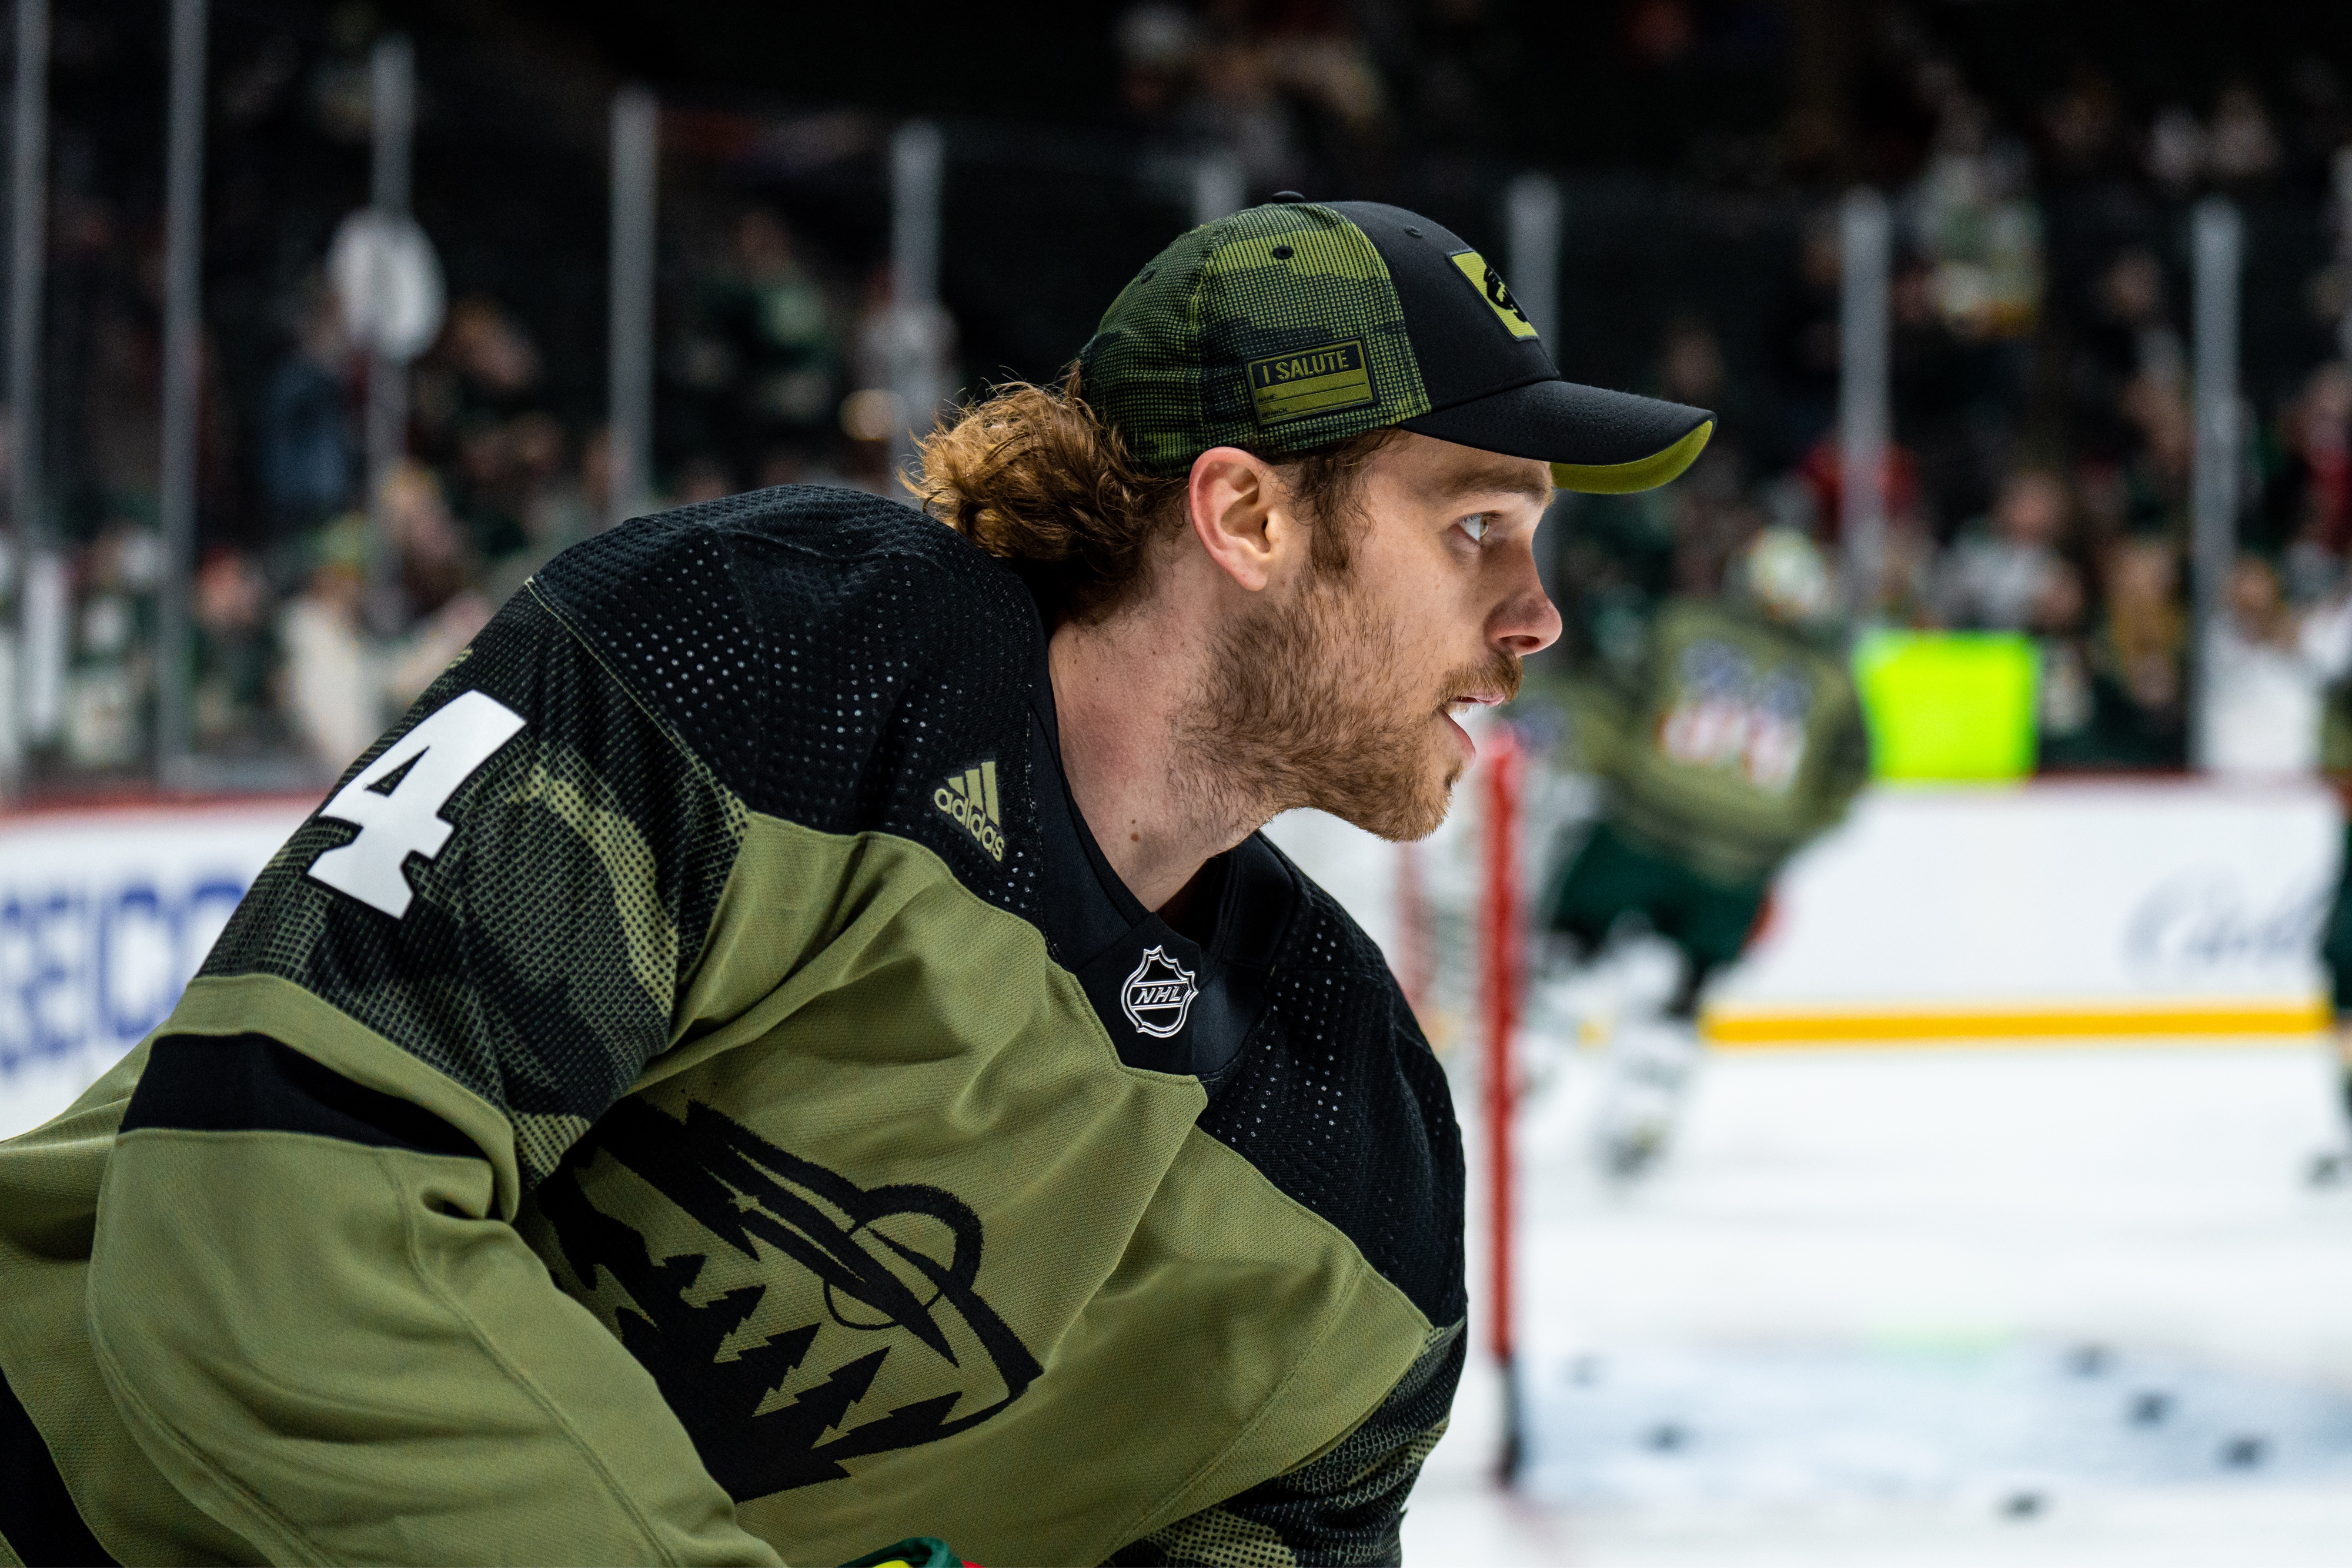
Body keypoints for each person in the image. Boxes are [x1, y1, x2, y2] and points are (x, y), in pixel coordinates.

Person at [0, 199, 1711, 1567]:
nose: (1535, 616)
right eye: (1476, 527)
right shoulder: (775, 663)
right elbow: (265, 1226)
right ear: (1246, 516)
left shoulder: (1354, 1156)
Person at [1548, 526, 1867, 1176]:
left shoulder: (1680, 627)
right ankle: (1650, 1094)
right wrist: (1778, 839)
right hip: (1737, 865)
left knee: (1568, 945)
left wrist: (1613, 773)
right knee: (1687, 985)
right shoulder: (1834, 680)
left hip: (1640, 828)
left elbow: (1608, 706)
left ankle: (1533, 1046)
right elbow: (1847, 782)